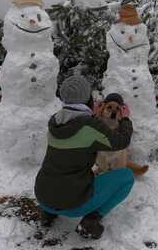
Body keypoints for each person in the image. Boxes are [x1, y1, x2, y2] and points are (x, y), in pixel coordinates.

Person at [34, 75, 135, 240]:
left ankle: (48, 213)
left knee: (59, 168)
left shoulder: (54, 121)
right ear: (87, 98)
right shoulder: (90, 127)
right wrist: (125, 118)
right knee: (126, 177)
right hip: (73, 203)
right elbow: (122, 141)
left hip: (42, 195)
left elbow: (80, 131)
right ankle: (91, 220)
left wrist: (94, 117)